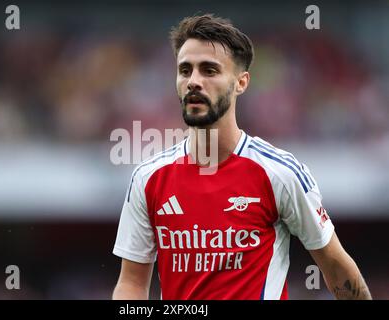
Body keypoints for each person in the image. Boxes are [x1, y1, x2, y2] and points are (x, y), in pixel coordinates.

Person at [112, 14, 372, 300]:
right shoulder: (148, 178)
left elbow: (335, 266)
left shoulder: (279, 173)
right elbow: (132, 284)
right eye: (185, 70)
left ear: (241, 83)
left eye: (209, 70)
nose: (193, 82)